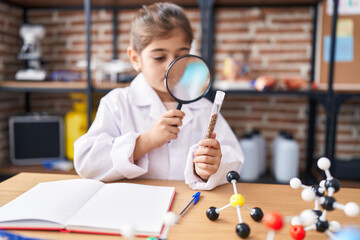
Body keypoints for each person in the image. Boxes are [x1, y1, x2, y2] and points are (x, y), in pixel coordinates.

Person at [74, 2, 244, 190]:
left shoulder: (203, 108)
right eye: (159, 57)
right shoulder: (117, 103)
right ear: (135, 59)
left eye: (181, 55)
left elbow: (234, 159)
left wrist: (209, 168)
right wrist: (145, 141)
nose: (172, 65)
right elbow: (86, 162)